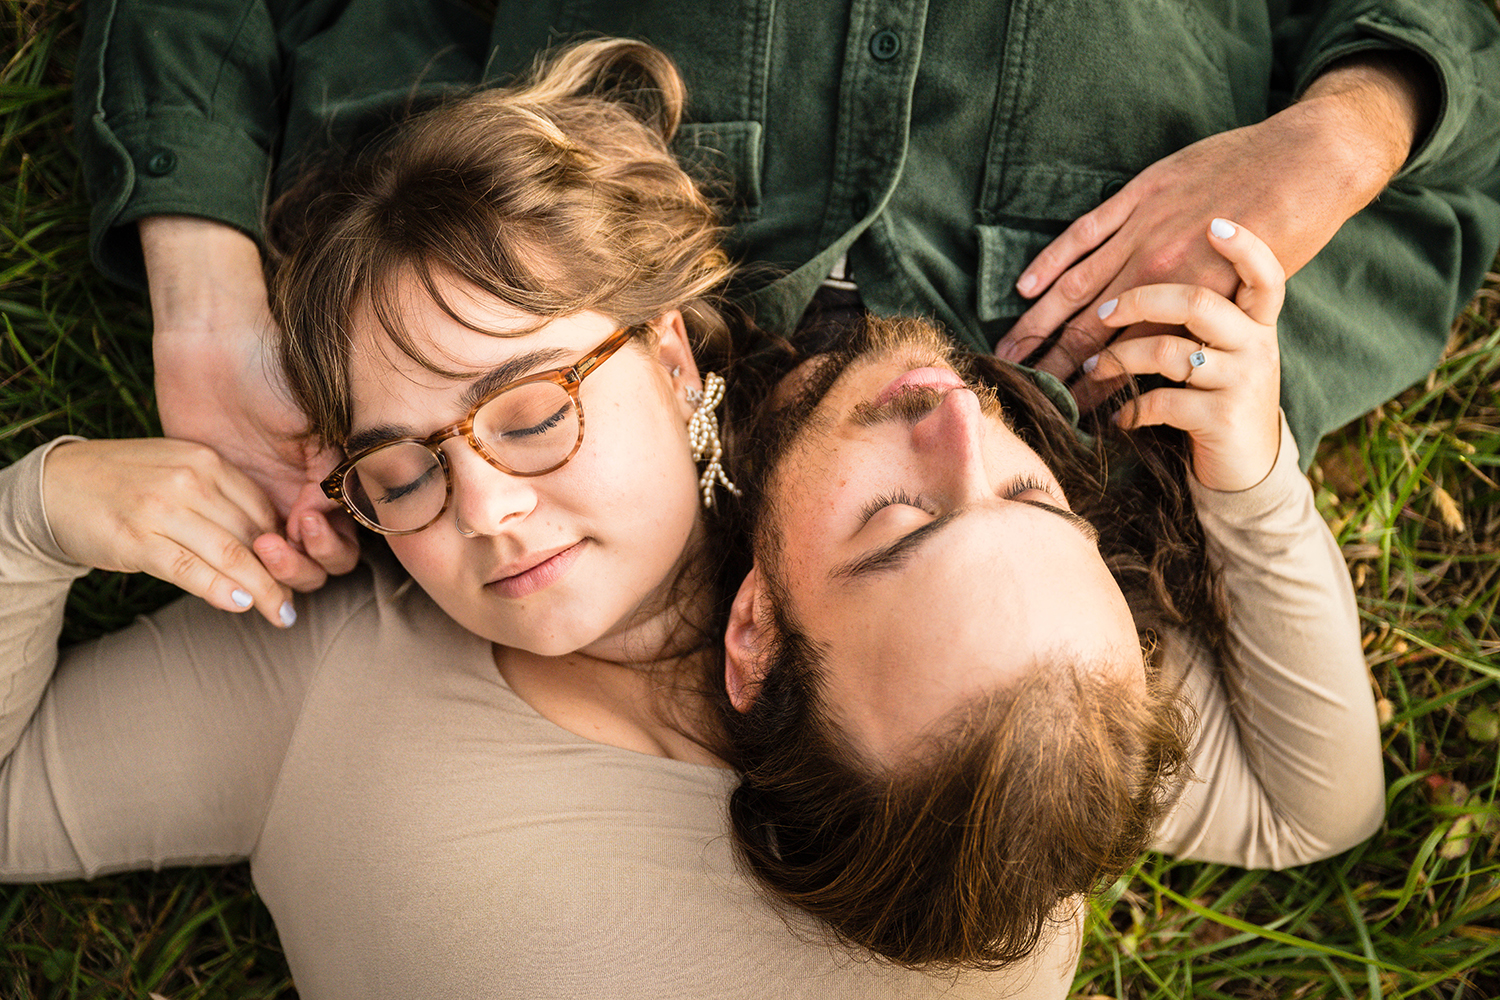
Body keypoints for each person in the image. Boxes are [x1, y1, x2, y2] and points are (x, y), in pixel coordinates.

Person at [72, 1, 1500, 580]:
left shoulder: (450, 303)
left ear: (751, 645)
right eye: (998, 513)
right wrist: (1346, 133)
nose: (944, 435)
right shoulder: (1193, 376)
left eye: (895, 536)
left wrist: (200, 283)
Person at [702, 220, 1382, 968]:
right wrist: (1253, 487)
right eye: (1032, 497)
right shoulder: (1178, 353)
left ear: (758, 632)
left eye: (898, 519)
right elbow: (1317, 811)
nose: (962, 412)